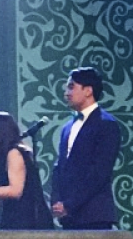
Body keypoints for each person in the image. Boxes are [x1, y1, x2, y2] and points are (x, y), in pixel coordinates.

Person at [51, 66, 122, 230]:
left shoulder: (106, 124)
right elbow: (60, 167)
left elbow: (99, 172)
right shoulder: (68, 127)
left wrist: (70, 204)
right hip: (69, 217)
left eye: (71, 87)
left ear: (88, 90)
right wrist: (56, 201)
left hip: (94, 214)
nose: (66, 93)